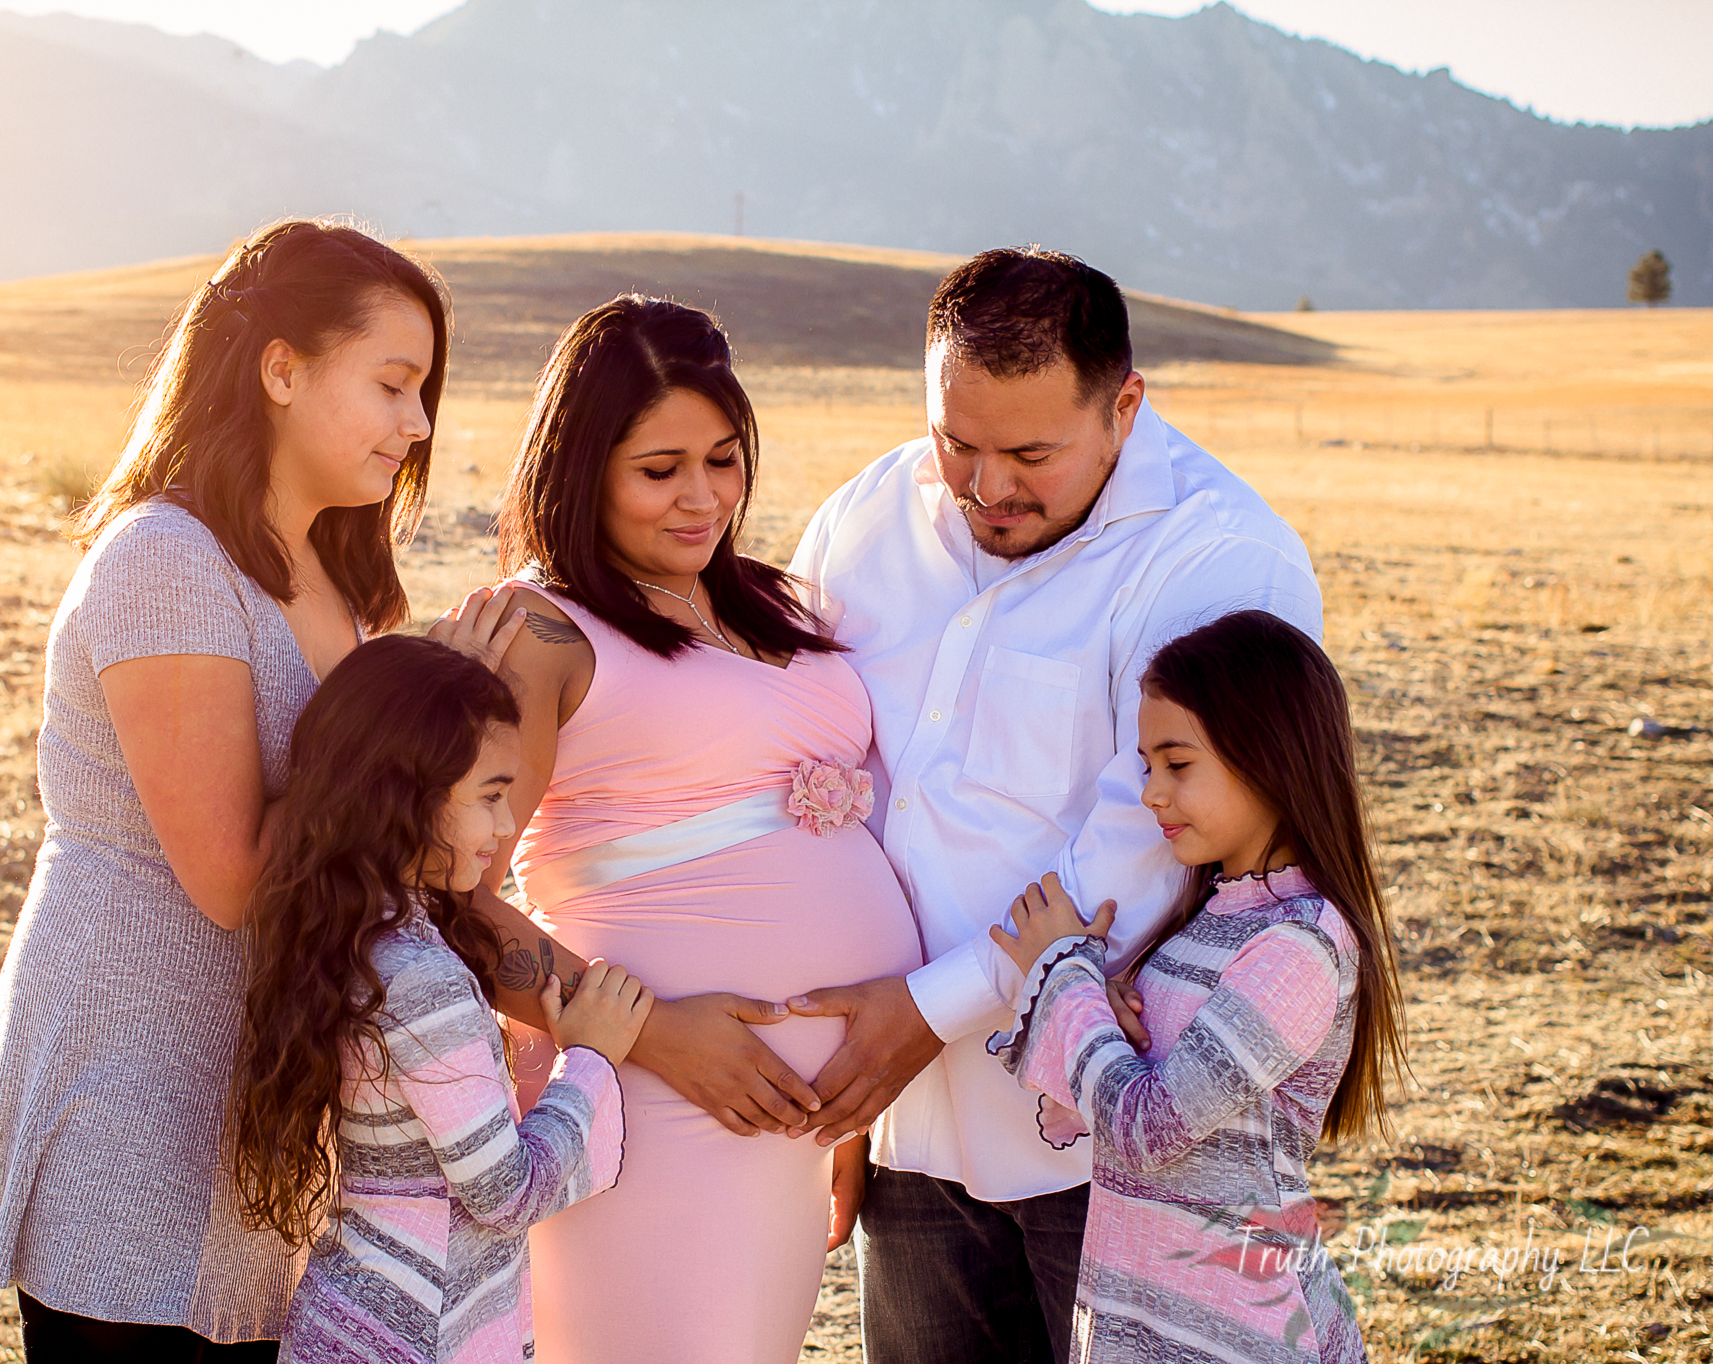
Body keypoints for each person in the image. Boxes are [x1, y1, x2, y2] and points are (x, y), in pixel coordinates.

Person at [0, 218, 517, 1357]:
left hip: (255, 1086)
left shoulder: (335, 578)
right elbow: (232, 877)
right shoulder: (166, 560)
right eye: (394, 384)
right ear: (279, 368)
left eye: (424, 393)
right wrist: (405, 720)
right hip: (139, 1072)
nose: (417, 425)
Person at [783, 248, 1326, 1361]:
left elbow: (1149, 849)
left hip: (1116, 1129)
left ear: (1124, 404)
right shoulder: (865, 517)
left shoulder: (1220, 557)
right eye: (957, 442)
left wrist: (918, 1012)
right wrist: (837, 1079)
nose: (985, 487)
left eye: (1031, 452)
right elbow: (808, 765)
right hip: (908, 1123)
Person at [485, 295, 925, 1362]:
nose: (701, 497)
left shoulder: (775, 604)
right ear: (581, 466)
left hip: (794, 1113)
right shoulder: (541, 632)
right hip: (655, 1092)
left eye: (723, 459)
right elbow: (436, 894)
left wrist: (852, 1106)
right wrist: (652, 1035)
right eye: (658, 468)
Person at [987, 609, 1404, 1363]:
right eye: (1148, 766)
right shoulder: (1206, 921)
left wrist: (1065, 973)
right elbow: (1128, 1083)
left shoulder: (1300, 946)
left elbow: (1150, 1130)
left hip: (1239, 1326)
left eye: (1178, 765)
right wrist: (1105, 1010)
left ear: (1270, 756)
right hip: (1143, 1312)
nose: (1152, 793)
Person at [227, 634, 652, 1364]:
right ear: (406, 797)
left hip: (357, 1314)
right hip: (420, 1335)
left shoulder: (361, 942)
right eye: (489, 796)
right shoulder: (421, 984)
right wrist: (591, 1059)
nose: (507, 824)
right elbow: (505, 1195)